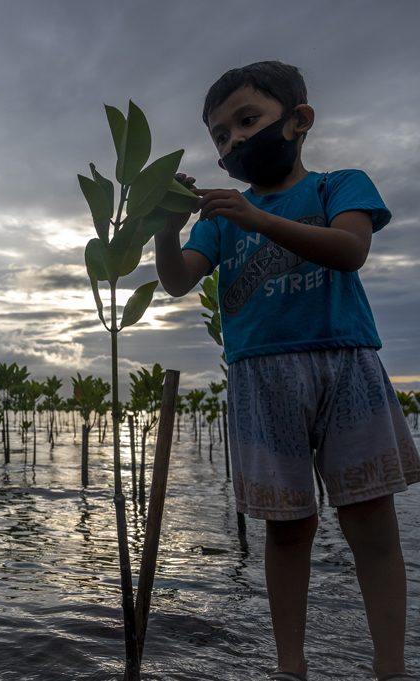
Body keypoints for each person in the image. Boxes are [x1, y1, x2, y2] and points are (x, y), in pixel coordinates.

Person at [153, 60, 419, 681]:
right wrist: (169, 226)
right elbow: (173, 281)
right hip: (259, 378)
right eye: (221, 135)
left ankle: (391, 669)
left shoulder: (338, 186)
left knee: (370, 525)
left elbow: (351, 250)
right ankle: (290, 669)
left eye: (248, 121)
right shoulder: (218, 219)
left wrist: (261, 220)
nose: (235, 141)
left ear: (298, 121)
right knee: (288, 529)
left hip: (345, 361)